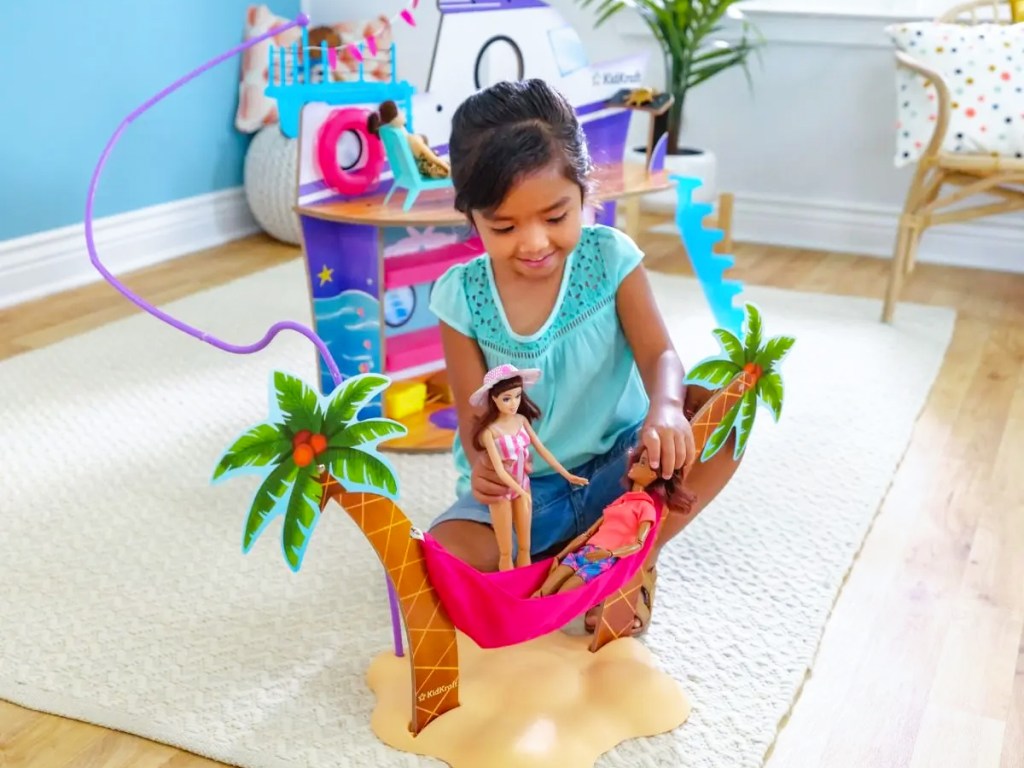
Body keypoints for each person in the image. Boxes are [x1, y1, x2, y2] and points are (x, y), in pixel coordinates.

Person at [427, 78, 742, 634]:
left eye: (555, 217)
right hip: (528, 496)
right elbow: (474, 417)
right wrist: (484, 473)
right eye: (503, 226)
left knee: (724, 425)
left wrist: (665, 409)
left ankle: (625, 559)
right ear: (469, 214)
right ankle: (589, 557)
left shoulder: (609, 258)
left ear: (583, 190)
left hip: (624, 469)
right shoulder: (461, 296)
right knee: (443, 553)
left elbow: (659, 353)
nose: (533, 243)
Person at [469, 363, 588, 571]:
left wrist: (567, 475)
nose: (513, 403)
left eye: (517, 396)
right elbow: (498, 469)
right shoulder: (491, 432)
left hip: (524, 486)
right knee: (505, 550)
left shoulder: (521, 420)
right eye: (507, 398)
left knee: (525, 546)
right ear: (494, 399)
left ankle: (526, 583)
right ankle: (508, 587)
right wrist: (518, 491)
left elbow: (542, 450)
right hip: (504, 491)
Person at [367, 100, 450, 179]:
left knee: (423, 139)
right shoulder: (408, 138)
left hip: (405, 173)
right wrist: (447, 167)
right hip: (420, 171)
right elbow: (433, 159)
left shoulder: (388, 132)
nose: (402, 113)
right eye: (399, 110)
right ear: (395, 117)